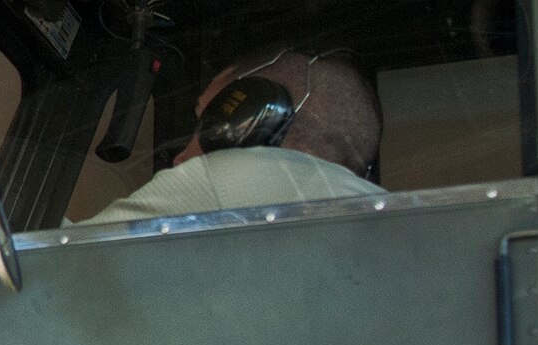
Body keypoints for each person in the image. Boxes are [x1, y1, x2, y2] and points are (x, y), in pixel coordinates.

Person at [82, 46, 383, 226]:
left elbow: (53, 268)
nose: (180, 158)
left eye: (208, 125)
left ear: (255, 120)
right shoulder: (384, 217)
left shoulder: (225, 183)